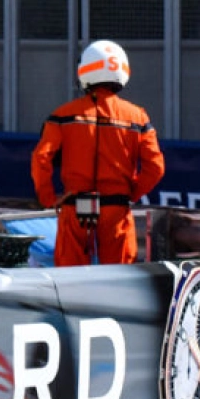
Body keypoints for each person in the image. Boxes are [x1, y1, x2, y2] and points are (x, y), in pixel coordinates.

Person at [30, 40, 165, 266]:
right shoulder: (138, 117)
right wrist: (130, 194)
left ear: (85, 71)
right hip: (116, 211)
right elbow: (156, 167)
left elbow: (41, 158)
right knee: (119, 283)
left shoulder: (62, 116)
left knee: (69, 284)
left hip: (74, 209)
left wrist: (49, 199)